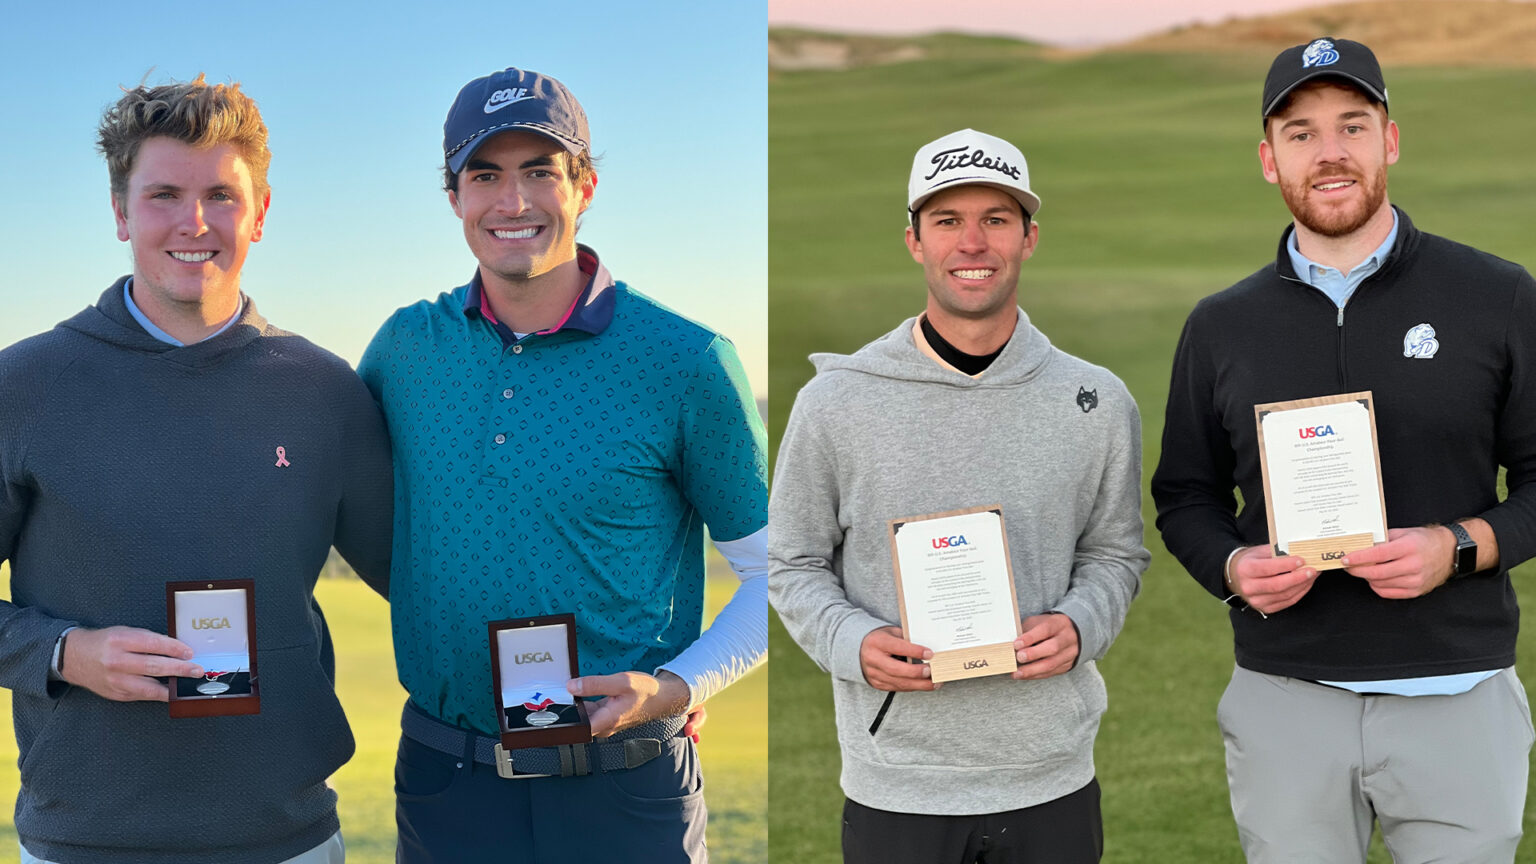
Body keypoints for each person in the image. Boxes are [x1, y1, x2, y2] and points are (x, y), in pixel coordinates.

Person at [358, 66, 768, 863]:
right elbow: (359, 517)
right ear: (454, 197)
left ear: (584, 184)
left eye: (540, 171)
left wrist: (681, 687)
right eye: (486, 175)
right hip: (447, 781)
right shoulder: (405, 350)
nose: (513, 202)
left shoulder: (685, 360)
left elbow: (774, 572)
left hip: (625, 787)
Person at [1151, 37, 1536, 863]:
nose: (1329, 153)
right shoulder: (1222, 326)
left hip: (1458, 692)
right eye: (1300, 133)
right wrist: (1230, 568)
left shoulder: (1497, 296)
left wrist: (1460, 547)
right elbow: (1185, 494)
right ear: (1269, 159)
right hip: (1286, 694)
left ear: (1389, 140)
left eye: (1352, 126)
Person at [0, 75, 392, 864]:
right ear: (119, 213)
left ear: (261, 213)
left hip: (289, 840)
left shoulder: (325, 390)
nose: (196, 222)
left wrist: (651, 677)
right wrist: (62, 651)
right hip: (84, 839)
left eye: (221, 194)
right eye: (164, 195)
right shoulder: (25, 386)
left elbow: (425, 583)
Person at [769, 128, 1148, 864]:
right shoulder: (835, 403)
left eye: (995, 220)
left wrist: (1081, 624)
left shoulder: (1095, 399)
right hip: (900, 786)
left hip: (1051, 779)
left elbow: (1114, 553)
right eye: (947, 221)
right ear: (914, 240)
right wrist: (852, 643)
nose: (972, 243)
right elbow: (792, 562)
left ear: (1029, 237)